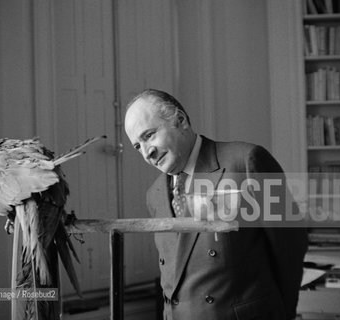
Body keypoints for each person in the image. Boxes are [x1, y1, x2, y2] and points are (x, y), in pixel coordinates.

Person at [124, 88, 308, 320]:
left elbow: (290, 248)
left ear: (180, 121)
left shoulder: (246, 162)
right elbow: (172, 280)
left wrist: (282, 313)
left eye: (149, 135)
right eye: (137, 146)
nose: (146, 153)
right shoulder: (154, 194)